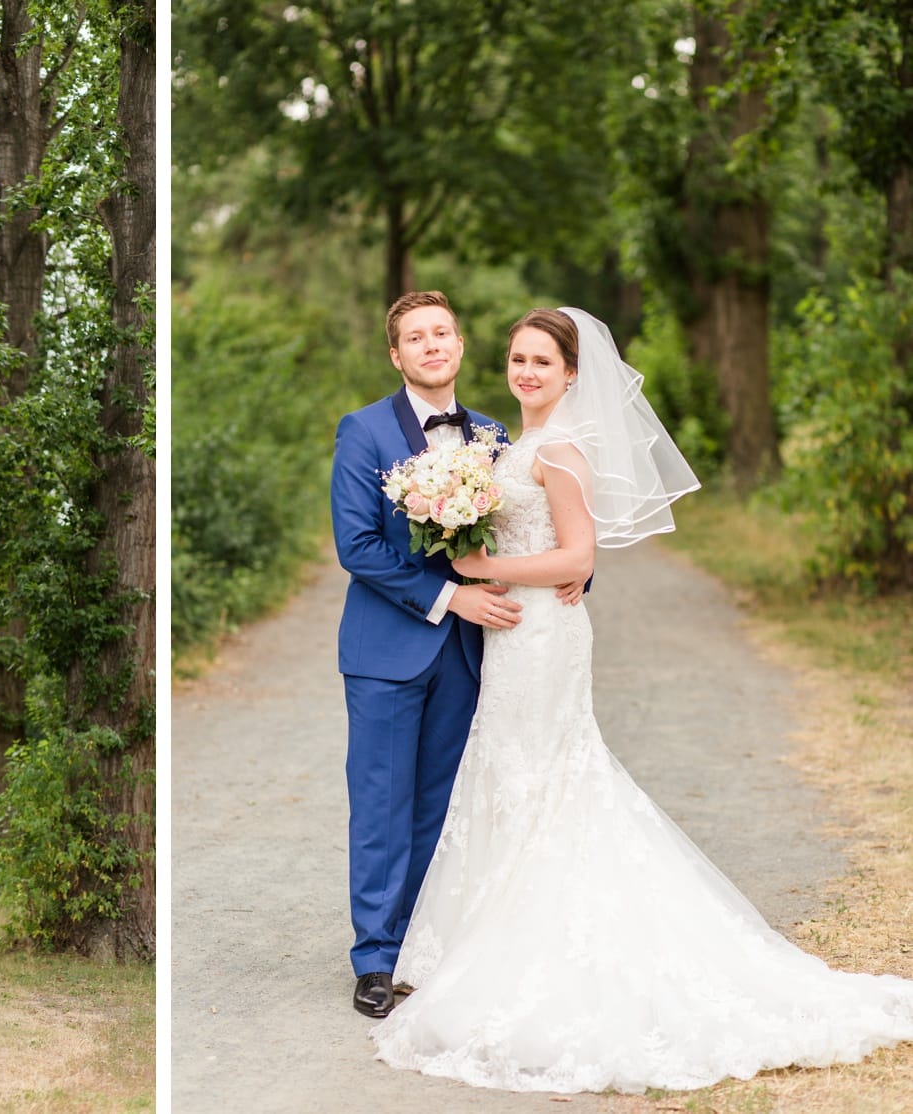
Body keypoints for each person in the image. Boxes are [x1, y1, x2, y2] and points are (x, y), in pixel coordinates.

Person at [369, 307, 913, 1092]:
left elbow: (577, 554)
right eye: (518, 359)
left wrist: (484, 569)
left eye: (543, 364)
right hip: (518, 636)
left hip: (542, 638)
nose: (526, 372)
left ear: (573, 375)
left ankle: (534, 948)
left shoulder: (557, 447)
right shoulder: (512, 443)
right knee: (514, 771)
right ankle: (493, 936)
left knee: (545, 775)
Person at [331, 291, 584, 1019]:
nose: (432, 346)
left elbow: (530, 524)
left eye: (442, 332)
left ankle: (423, 945)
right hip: (387, 649)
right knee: (381, 803)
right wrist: (449, 599)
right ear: (397, 354)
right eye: (416, 337)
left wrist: (575, 569)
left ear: (461, 344)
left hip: (476, 653)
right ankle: (376, 959)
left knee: (443, 806)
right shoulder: (365, 431)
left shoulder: (494, 435)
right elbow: (359, 547)